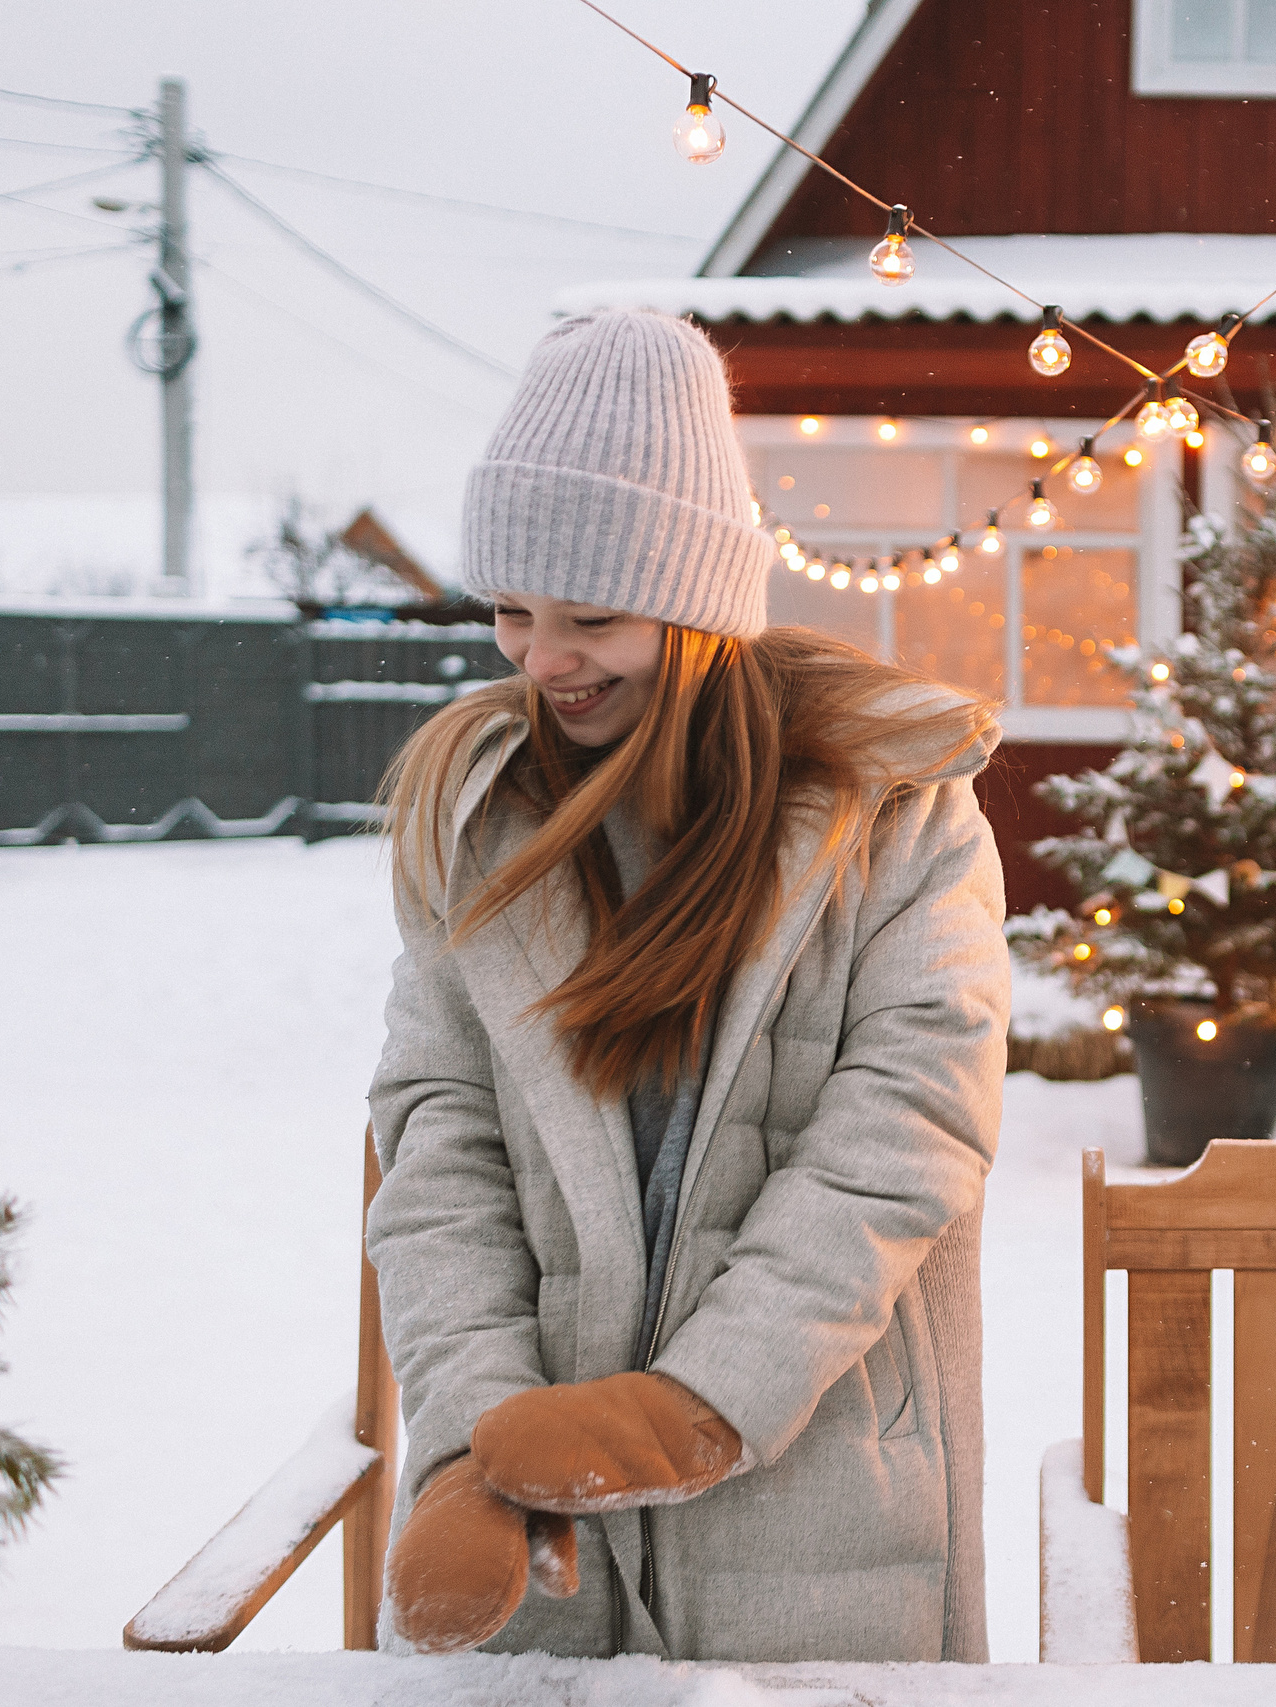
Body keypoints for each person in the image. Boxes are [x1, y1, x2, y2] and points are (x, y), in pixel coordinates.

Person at [365, 308, 1009, 1661]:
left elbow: (909, 1130)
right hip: (545, 1534)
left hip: (821, 1514)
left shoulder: (897, 818)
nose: (541, 659)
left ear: (699, 606)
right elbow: (437, 1153)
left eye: (591, 617)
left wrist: (700, 1406)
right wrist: (475, 1449)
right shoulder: (471, 825)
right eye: (512, 611)